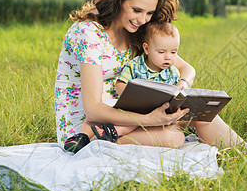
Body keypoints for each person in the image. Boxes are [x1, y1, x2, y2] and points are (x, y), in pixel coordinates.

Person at [55, 0, 247, 154]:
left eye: (149, 13)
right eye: (137, 10)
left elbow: (187, 69)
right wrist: (149, 119)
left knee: (200, 114)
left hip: (129, 115)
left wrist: (181, 87)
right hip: (88, 129)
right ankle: (105, 143)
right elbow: (93, 111)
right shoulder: (89, 33)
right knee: (173, 138)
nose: (142, 19)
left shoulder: (135, 32)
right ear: (119, 0)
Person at [64, 21, 182, 153]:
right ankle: (82, 137)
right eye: (161, 52)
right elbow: (119, 85)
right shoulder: (135, 65)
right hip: (133, 105)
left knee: (139, 124)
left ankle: (111, 132)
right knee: (101, 116)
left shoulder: (173, 72)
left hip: (154, 111)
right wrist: (135, 96)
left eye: (173, 52)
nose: (168, 57)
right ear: (147, 49)